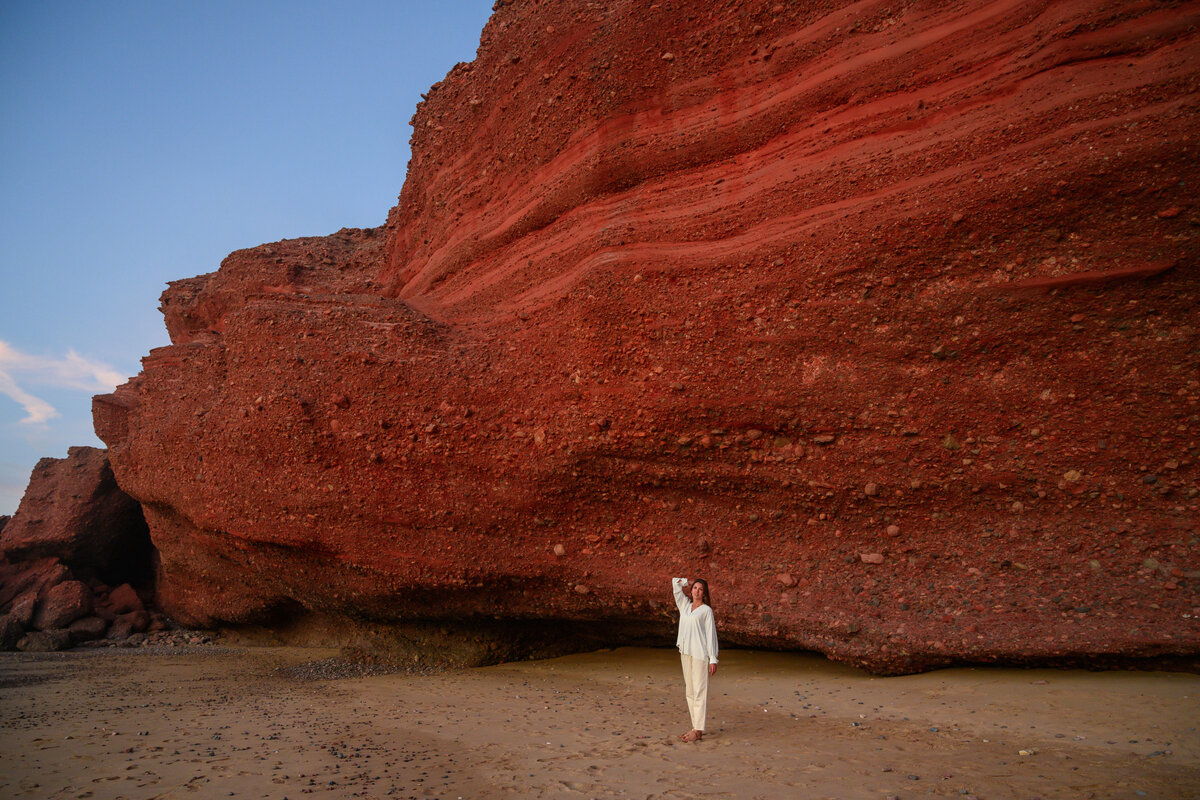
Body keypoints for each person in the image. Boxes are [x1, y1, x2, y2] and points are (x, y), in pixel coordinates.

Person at [672, 576, 718, 742]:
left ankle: (698, 730)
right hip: (685, 652)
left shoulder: (706, 611)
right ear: (691, 591)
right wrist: (687, 581)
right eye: (695, 588)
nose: (697, 591)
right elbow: (675, 583)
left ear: (704, 594)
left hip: (700, 654)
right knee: (690, 692)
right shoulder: (684, 605)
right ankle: (694, 727)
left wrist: (713, 658)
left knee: (699, 691)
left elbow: (711, 635)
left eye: (700, 589)